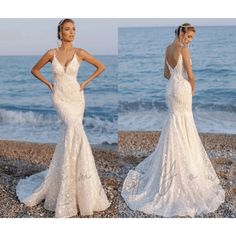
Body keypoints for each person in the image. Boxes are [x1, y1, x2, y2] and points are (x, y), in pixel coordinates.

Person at [121, 23, 225, 217]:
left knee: (175, 124)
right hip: (182, 89)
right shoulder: (183, 49)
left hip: (170, 89)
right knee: (185, 125)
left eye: (192, 38)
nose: (189, 40)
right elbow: (191, 76)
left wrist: (177, 78)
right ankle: (184, 168)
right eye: (189, 36)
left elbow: (165, 74)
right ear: (181, 32)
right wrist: (191, 88)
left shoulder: (168, 48)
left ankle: (171, 167)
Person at [16, 18, 111, 218]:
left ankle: (81, 185)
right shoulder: (51, 53)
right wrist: (49, 84)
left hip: (76, 96)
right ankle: (67, 185)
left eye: (74, 29)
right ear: (59, 33)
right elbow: (34, 70)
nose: (71, 32)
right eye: (67, 29)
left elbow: (101, 67)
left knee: (74, 131)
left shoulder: (81, 52)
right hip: (60, 97)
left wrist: (85, 83)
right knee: (72, 128)